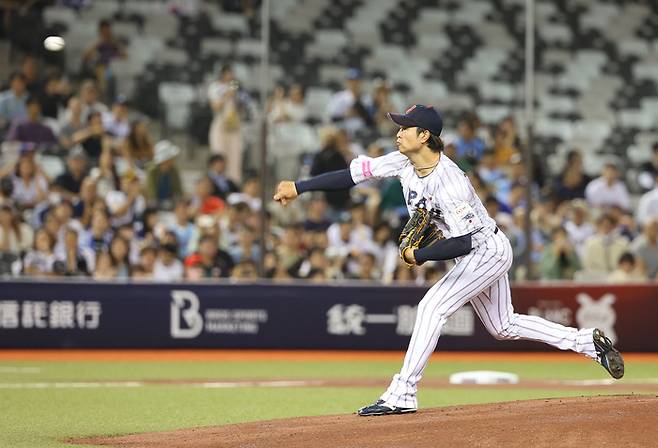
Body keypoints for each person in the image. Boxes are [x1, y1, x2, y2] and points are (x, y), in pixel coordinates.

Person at [273, 104, 625, 416]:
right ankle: (585, 342)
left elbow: (464, 240)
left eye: (404, 128)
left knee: (431, 308)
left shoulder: (450, 181)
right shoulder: (402, 161)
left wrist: (419, 255)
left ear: (424, 135)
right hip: (479, 249)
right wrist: (300, 187)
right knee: (503, 326)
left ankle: (403, 392)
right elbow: (352, 175)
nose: (397, 133)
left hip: (484, 250)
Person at [207, 65, 250, 182]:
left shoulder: (238, 88)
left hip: (235, 126)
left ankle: (233, 184)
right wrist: (227, 95)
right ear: (223, 74)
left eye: (232, 74)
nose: (231, 76)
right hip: (220, 124)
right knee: (219, 154)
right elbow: (215, 107)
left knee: (235, 157)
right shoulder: (215, 87)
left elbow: (245, 107)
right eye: (228, 73)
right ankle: (216, 182)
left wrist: (237, 97)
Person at [145, 140, 183, 208]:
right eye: (170, 159)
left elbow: (178, 190)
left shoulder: (173, 170)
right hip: (154, 205)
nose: (172, 161)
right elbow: (151, 194)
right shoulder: (152, 171)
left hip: (171, 204)